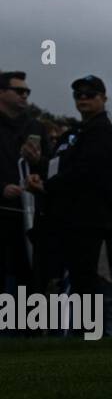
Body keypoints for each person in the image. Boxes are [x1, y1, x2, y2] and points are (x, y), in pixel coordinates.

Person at [25, 75, 112, 318]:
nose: (83, 99)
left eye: (90, 94)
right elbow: (62, 166)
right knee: (54, 275)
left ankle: (86, 334)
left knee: (83, 279)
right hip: (64, 215)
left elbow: (85, 172)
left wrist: (47, 187)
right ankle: (51, 330)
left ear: (103, 98)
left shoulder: (102, 132)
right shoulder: (77, 132)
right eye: (78, 95)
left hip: (86, 217)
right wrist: (39, 167)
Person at [0, 72, 44, 304]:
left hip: (28, 213)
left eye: (27, 91)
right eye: (19, 91)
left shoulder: (34, 125)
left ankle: (30, 332)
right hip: (2, 209)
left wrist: (37, 166)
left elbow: (48, 165)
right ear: (2, 93)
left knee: (29, 272)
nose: (25, 96)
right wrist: (1, 189)